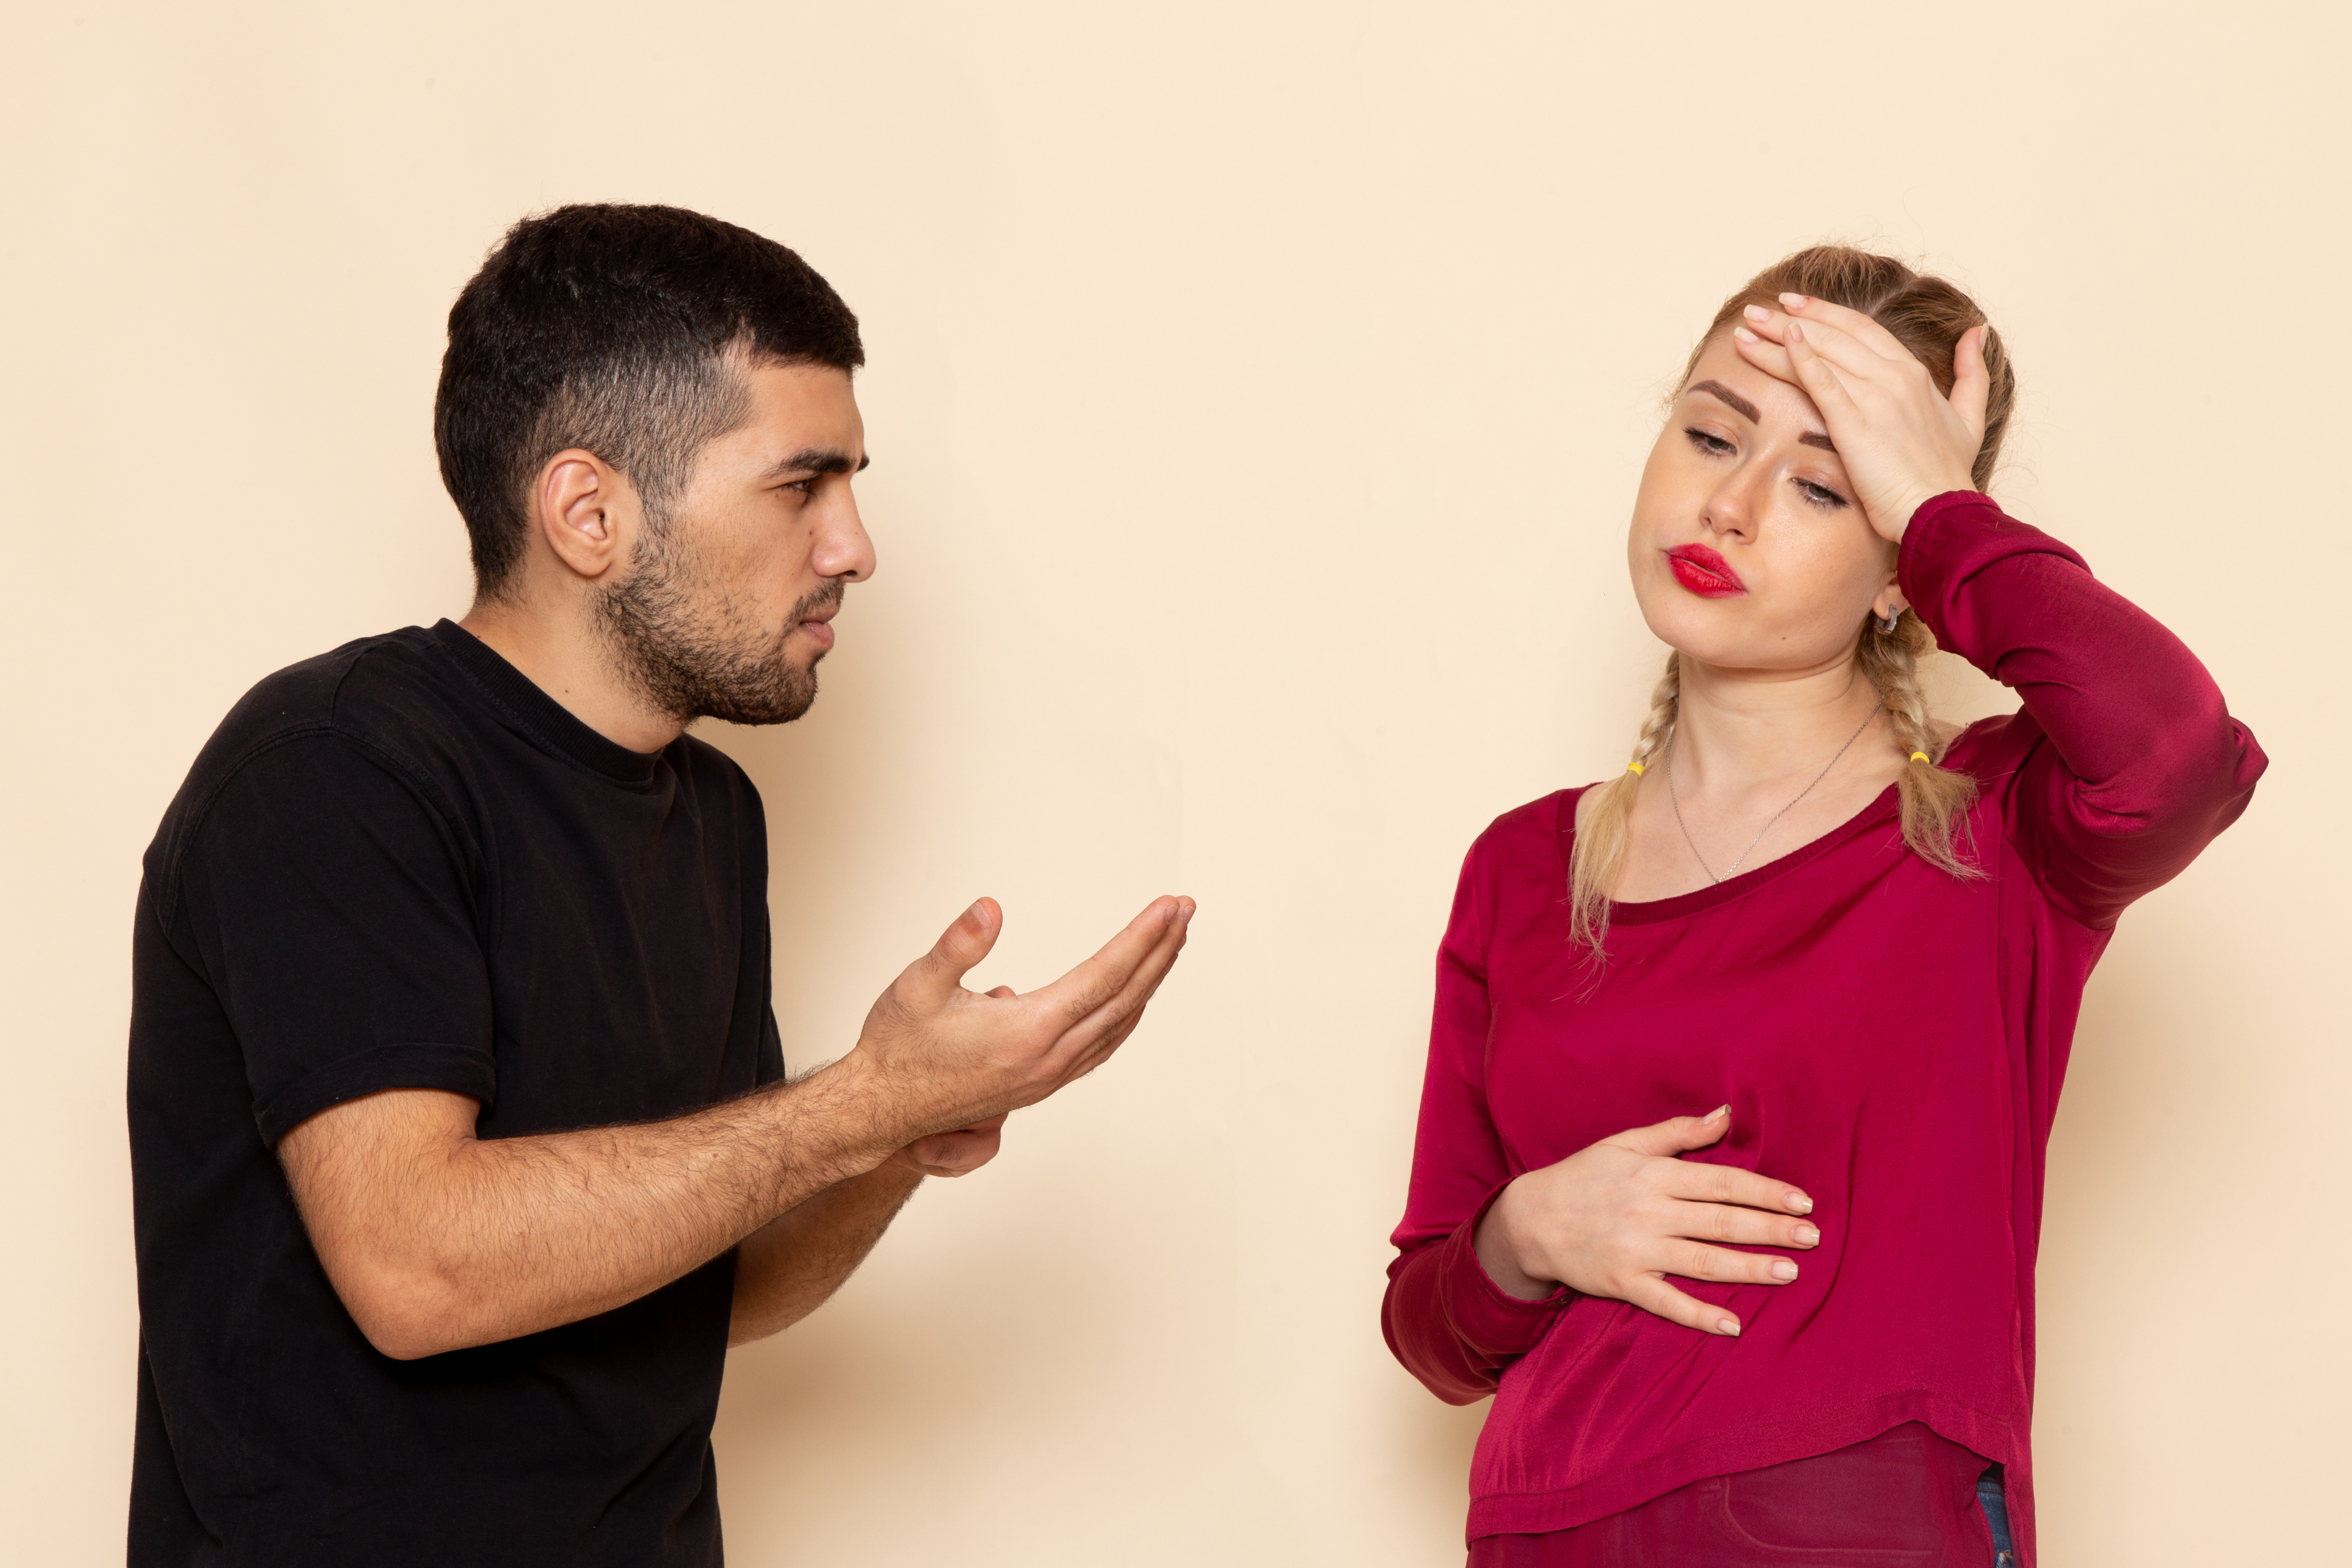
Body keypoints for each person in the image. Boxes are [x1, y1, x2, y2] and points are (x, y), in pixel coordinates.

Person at [126, 203, 1195, 1567]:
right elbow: (416, 1267)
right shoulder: (334, 773)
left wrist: (903, 1136)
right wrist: (857, 1103)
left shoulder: (713, 817)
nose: (855, 547)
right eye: (801, 485)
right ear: (589, 512)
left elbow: (718, 1278)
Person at [1381, 247, 2264, 1568]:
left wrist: (1944, 509)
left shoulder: (1992, 833)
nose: (1729, 508)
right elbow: (1432, 1332)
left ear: (1902, 561)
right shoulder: (1522, 868)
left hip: (1861, 1527)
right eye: (1709, 435)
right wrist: (1528, 1231)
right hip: (1546, 1532)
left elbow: (2180, 753)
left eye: (1821, 484)